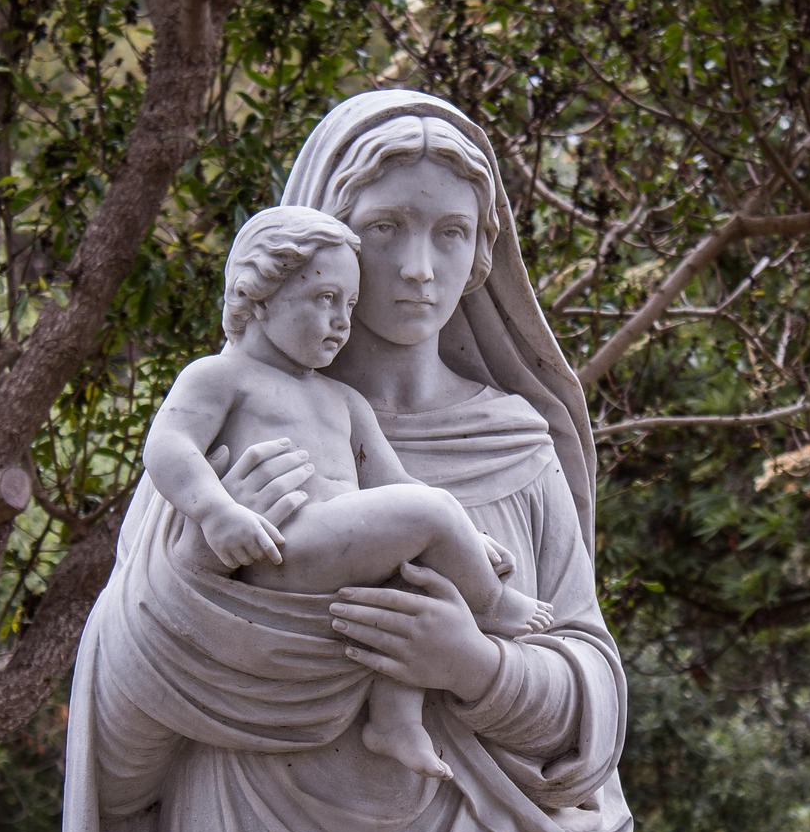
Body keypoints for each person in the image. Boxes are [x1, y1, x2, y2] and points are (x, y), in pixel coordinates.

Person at [56, 90, 629, 832]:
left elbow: (591, 712)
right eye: (385, 229)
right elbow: (121, 760)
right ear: (324, 235)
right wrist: (196, 586)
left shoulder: (518, 447)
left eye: (451, 232)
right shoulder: (231, 444)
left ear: (486, 249)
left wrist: (473, 666)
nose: (418, 266)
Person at [142, 204, 551, 779]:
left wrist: (467, 539)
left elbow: (395, 484)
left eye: (350, 305)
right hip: (285, 548)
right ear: (258, 296)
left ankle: (394, 719)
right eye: (324, 299)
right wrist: (216, 512)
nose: (342, 321)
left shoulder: (341, 400)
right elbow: (169, 446)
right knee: (430, 514)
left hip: (337, 551)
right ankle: (495, 607)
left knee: (414, 583)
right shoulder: (220, 376)